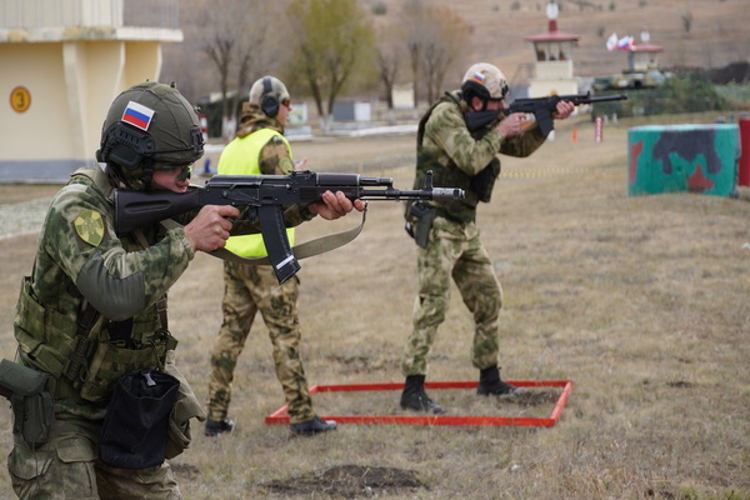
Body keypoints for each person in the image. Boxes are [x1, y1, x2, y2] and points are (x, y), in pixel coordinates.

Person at [6, 80, 362, 499]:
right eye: (175, 170)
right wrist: (188, 239)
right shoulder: (77, 207)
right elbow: (114, 290)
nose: (185, 180)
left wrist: (304, 204)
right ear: (132, 161)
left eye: (189, 169)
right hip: (60, 412)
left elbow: (239, 210)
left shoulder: (151, 195)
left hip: (126, 404)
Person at [399, 63, 574, 414]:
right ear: (477, 102)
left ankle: (489, 379)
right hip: (437, 223)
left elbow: (520, 147)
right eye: (496, 103)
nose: (500, 109)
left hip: (464, 223)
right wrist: (502, 130)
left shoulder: (483, 116)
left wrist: (546, 120)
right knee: (433, 304)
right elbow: (471, 158)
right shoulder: (445, 118)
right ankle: (412, 390)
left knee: (489, 297)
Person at [204, 76, 337, 437]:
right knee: (285, 337)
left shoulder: (233, 146)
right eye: (286, 101)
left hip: (235, 259)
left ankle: (214, 416)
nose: (290, 108)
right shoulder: (273, 142)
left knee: (230, 336)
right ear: (270, 106)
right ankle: (302, 416)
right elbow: (287, 200)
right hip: (267, 260)